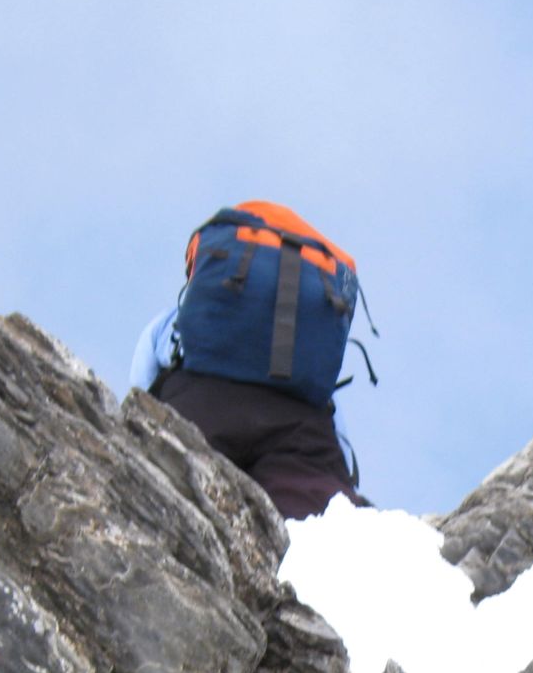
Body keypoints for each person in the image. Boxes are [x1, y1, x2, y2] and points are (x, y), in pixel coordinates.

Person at [131, 200, 370, 520]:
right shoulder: (306, 346)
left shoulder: (174, 319)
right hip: (299, 426)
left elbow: (143, 379)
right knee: (315, 524)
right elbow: (338, 430)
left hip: (199, 402)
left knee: (165, 501)